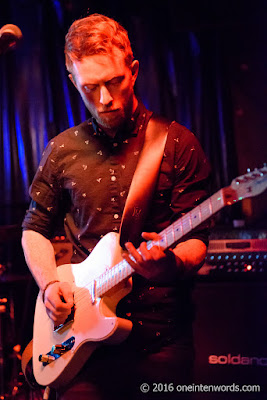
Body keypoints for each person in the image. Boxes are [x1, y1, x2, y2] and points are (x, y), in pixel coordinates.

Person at [22, 13, 211, 400]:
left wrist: (170, 264)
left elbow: (198, 241)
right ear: (73, 81)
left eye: (114, 81)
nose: (105, 99)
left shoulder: (177, 143)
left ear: (134, 70)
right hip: (82, 340)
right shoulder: (61, 150)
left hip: (160, 340)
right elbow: (34, 228)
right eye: (91, 87)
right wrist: (50, 284)